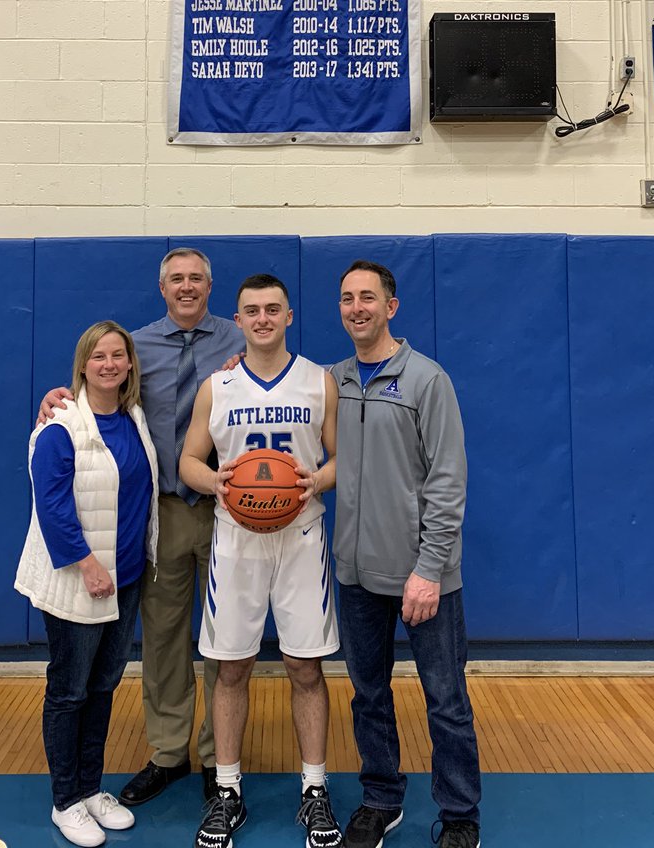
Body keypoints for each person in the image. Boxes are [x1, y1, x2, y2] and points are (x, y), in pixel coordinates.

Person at [38, 248, 245, 807]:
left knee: (224, 640)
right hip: (165, 513)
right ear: (161, 287)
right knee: (163, 638)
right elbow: (96, 399)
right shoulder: (133, 347)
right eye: (176, 279)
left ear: (210, 285)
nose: (186, 287)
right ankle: (169, 753)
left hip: (231, 511)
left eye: (196, 279)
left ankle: (218, 758)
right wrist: (56, 400)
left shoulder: (240, 341)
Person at [179, 274, 343, 848]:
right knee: (232, 667)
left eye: (273, 309)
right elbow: (189, 462)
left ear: (290, 316)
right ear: (239, 319)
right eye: (253, 310)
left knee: (305, 667)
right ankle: (227, 791)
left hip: (300, 536)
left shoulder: (319, 381)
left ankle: (314, 789)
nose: (264, 318)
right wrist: (216, 482)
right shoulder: (216, 385)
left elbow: (342, 457)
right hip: (235, 540)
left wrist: (315, 481)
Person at [331, 261, 482, 848]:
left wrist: (428, 568)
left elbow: (448, 482)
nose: (357, 307)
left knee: (445, 699)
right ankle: (381, 798)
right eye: (346, 298)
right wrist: (233, 368)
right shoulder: (334, 379)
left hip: (425, 579)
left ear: (391, 307)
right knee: (368, 694)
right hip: (355, 573)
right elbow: (275, 390)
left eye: (368, 297)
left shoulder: (426, 380)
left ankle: (460, 813)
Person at [16, 321, 159, 847]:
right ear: (82, 365)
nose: (109, 364)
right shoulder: (59, 425)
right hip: (79, 582)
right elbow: (51, 507)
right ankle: (65, 801)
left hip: (126, 579)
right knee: (70, 690)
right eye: (99, 356)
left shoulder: (134, 417)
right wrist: (88, 564)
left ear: (129, 364)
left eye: (118, 355)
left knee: (103, 687)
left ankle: (91, 788)